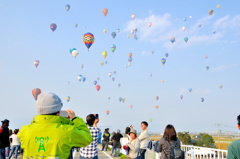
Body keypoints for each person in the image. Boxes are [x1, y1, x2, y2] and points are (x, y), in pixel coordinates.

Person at [18, 92, 93, 158]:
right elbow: (87, 138)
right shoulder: (67, 131)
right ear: (58, 111)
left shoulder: (24, 131)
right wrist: (74, 119)